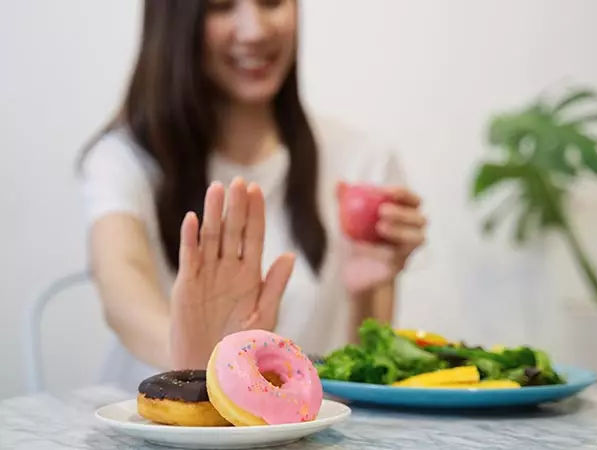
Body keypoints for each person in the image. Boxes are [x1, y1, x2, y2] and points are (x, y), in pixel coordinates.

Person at [78, 0, 427, 392]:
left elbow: (363, 374)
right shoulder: (124, 159)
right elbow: (123, 289)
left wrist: (365, 293)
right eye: (221, 6)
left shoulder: (363, 162)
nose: (255, 30)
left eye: (272, 1)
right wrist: (197, 357)